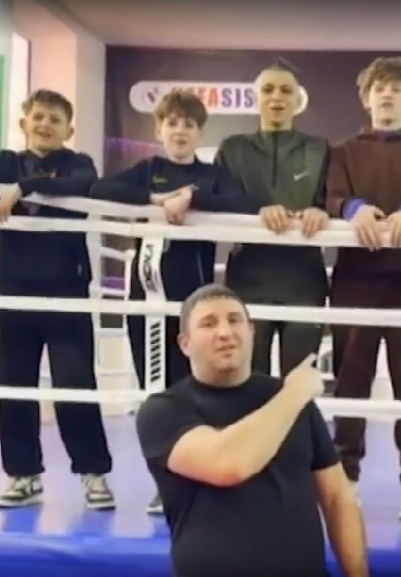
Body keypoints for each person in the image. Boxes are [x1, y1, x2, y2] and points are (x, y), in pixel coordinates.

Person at [0, 89, 114, 510]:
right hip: (15, 288)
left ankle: (92, 473)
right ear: (24, 123)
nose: (45, 125)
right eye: (38, 116)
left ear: (68, 129)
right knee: (15, 384)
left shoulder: (78, 163)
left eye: (55, 119)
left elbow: (82, 185)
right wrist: (9, 180)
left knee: (75, 383)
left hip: (67, 290)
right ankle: (23, 475)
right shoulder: (6, 162)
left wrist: (21, 189)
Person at [89, 89, 259, 514]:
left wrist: (193, 198)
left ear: (200, 132)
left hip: (194, 307)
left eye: (189, 124)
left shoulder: (211, 175)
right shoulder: (147, 171)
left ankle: (200, 476)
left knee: (197, 393)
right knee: (156, 396)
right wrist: (153, 201)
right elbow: (100, 188)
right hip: (145, 303)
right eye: (172, 123)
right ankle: (164, 482)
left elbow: (243, 203)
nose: (179, 131)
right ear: (158, 129)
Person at [135, 284, 367, 577]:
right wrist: (294, 394)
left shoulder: (291, 400)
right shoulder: (163, 410)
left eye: (234, 320)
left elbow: (337, 498)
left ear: (251, 331)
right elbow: (228, 464)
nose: (225, 332)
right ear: (185, 343)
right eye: (209, 324)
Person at [324, 57, 401, 520]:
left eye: (396, 88)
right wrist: (353, 208)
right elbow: (331, 195)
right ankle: (345, 476)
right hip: (355, 275)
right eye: (379, 87)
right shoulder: (343, 151)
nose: (387, 94)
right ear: (365, 97)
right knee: (350, 378)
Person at [216, 62, 330, 378]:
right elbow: (220, 199)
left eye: (285, 90)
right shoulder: (232, 149)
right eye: (268, 90)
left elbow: (332, 199)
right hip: (248, 279)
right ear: (255, 98)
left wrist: (321, 211)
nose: (276, 97)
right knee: (250, 383)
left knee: (299, 384)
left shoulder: (318, 149)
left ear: (298, 100)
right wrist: (258, 210)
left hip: (303, 280)